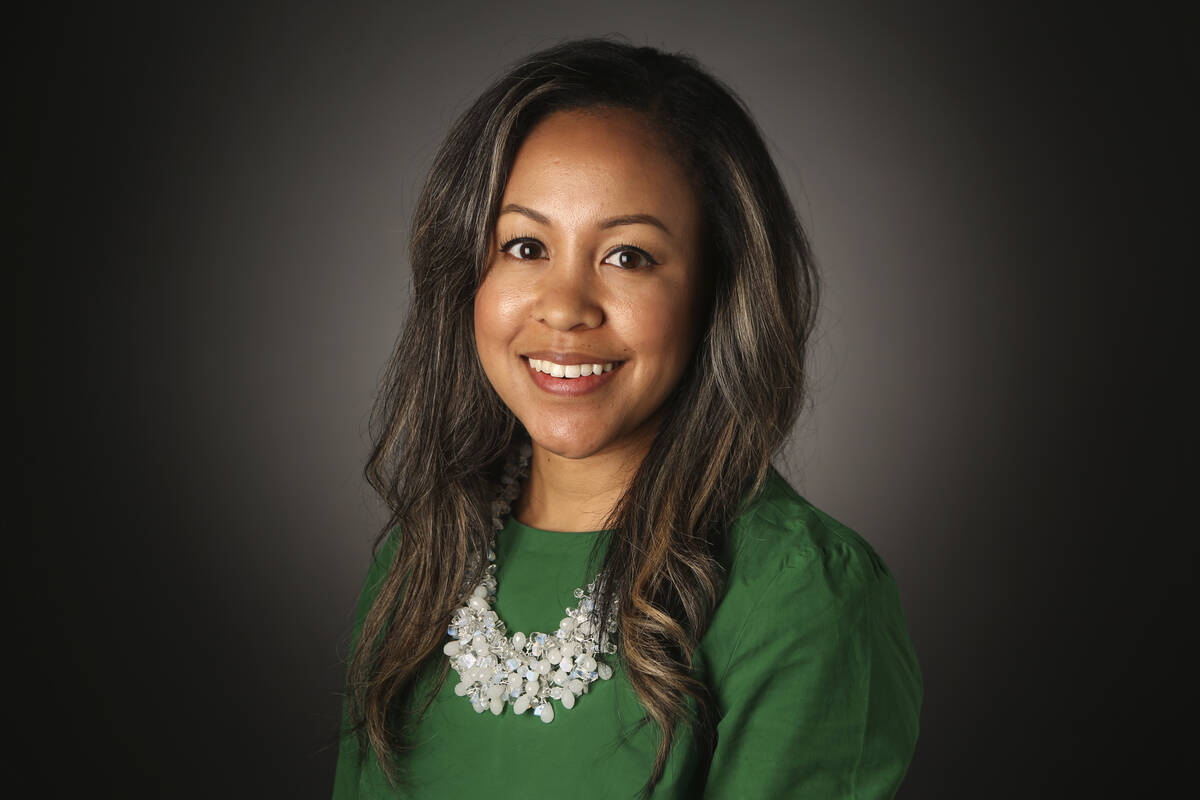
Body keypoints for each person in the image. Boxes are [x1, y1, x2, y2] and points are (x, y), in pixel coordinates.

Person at [333, 37, 922, 799]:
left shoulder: (800, 594)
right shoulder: (420, 561)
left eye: (628, 256)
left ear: (718, 288)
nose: (566, 307)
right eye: (524, 245)